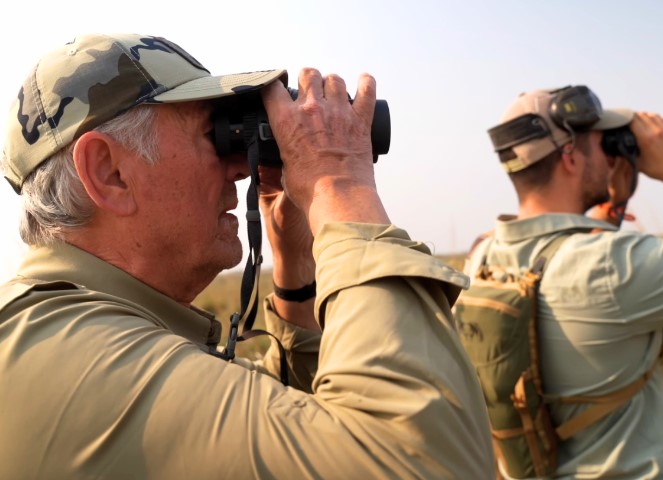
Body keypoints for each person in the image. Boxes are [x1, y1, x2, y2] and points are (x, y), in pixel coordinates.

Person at [0, 33, 494, 479]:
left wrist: (295, 273)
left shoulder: (85, 332)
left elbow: (293, 429)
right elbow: (420, 461)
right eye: (212, 136)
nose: (240, 168)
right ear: (110, 173)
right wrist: (339, 185)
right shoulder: (67, 351)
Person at [456, 85, 663, 479]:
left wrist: (605, 212)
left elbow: (561, 270)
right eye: (605, 144)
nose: (613, 154)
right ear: (569, 155)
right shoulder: (613, 264)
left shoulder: (481, 255)